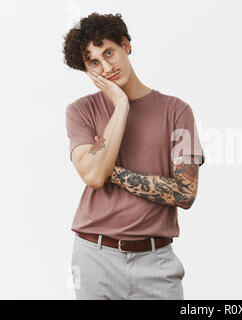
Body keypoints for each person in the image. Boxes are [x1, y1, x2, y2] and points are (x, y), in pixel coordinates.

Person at [62, 12, 205, 300]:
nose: (106, 66)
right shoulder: (80, 112)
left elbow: (185, 193)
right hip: (94, 257)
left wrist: (107, 169)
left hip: (156, 261)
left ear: (125, 45)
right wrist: (121, 106)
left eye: (109, 52)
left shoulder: (177, 111)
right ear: (87, 70)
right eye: (94, 62)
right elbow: (92, 176)